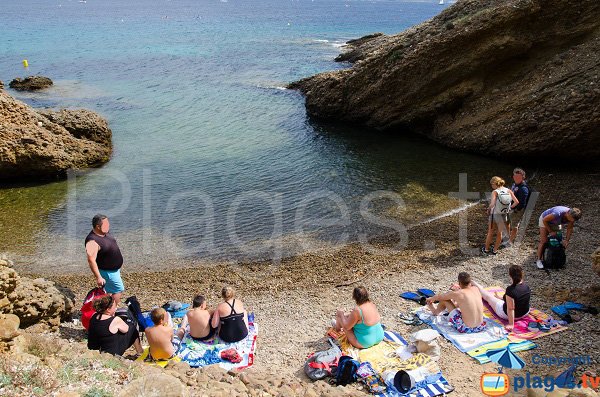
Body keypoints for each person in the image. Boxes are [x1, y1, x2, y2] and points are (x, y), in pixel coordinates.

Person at [472, 265, 530, 331]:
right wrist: (501, 298)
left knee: (489, 297)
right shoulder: (526, 286)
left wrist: (511, 324)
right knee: (497, 299)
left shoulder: (511, 290)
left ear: (510, 276)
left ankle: (476, 285)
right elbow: (519, 299)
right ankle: (479, 287)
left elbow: (511, 308)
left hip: (509, 315)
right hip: (525, 313)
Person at [85, 214, 125, 306]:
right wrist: (98, 277)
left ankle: (105, 308)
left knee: (109, 291)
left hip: (114, 270)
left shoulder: (104, 233)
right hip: (107, 271)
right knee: (118, 289)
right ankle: (112, 309)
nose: (108, 226)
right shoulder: (92, 242)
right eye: (106, 224)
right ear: (98, 226)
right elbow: (91, 260)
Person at [482, 176, 519, 255]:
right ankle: (495, 250)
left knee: (490, 232)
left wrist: (488, 209)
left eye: (492, 185)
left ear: (495, 184)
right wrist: (509, 208)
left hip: (495, 215)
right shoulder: (508, 190)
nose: (492, 186)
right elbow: (516, 202)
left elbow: (492, 204)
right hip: (504, 214)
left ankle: (486, 249)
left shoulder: (495, 192)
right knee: (499, 233)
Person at [507, 168, 531, 245]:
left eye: (518, 177)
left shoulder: (523, 189)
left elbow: (522, 203)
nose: (516, 178)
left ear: (523, 177)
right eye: (515, 176)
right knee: (508, 222)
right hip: (511, 207)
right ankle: (507, 237)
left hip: (518, 210)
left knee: (514, 225)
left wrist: (515, 209)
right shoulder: (514, 184)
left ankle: (510, 241)